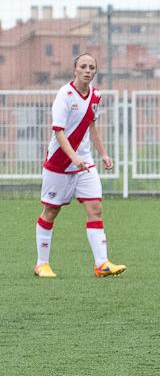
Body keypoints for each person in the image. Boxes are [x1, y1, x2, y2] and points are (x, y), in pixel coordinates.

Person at [35, 53, 126, 278]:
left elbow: (91, 127)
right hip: (59, 164)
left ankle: (102, 264)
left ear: (95, 72)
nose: (87, 70)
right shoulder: (64, 94)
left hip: (85, 163)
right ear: (74, 69)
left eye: (91, 67)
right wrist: (73, 158)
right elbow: (58, 132)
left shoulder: (96, 95)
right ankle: (41, 264)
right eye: (83, 66)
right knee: (51, 211)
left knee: (95, 208)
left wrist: (103, 154)